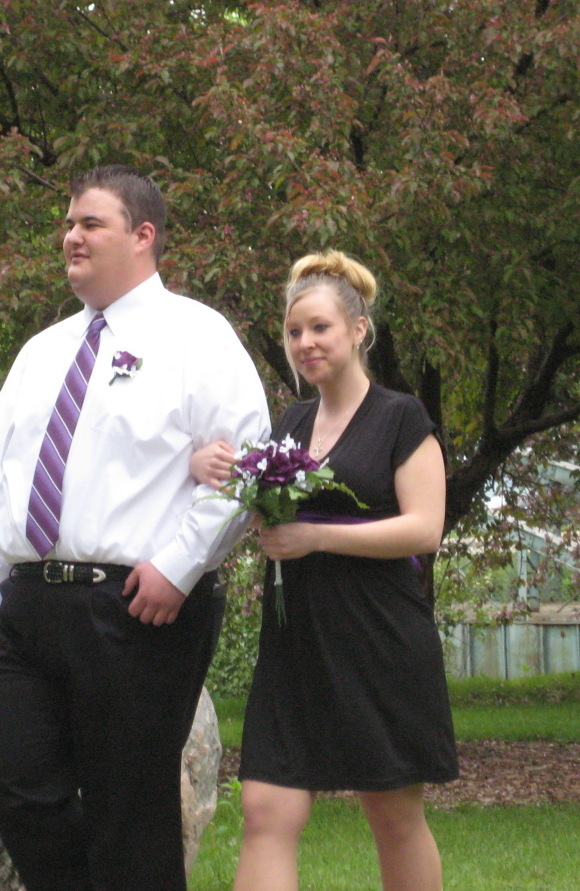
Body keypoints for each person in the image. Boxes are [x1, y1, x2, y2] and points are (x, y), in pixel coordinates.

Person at [0, 165, 270, 891]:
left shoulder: (196, 336)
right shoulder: (41, 352)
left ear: (142, 235)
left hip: (137, 605)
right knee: (5, 768)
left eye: (90, 223)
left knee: (130, 808)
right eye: (68, 223)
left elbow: (247, 464)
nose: (71, 236)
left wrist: (180, 566)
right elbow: (2, 482)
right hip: (28, 603)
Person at [191, 250, 457, 891]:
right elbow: (258, 504)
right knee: (265, 809)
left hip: (379, 638)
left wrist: (316, 537)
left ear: (359, 330)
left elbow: (425, 529)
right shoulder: (291, 423)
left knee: (392, 813)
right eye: (293, 331)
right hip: (296, 642)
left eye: (319, 327)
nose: (304, 342)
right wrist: (209, 469)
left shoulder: (400, 417)